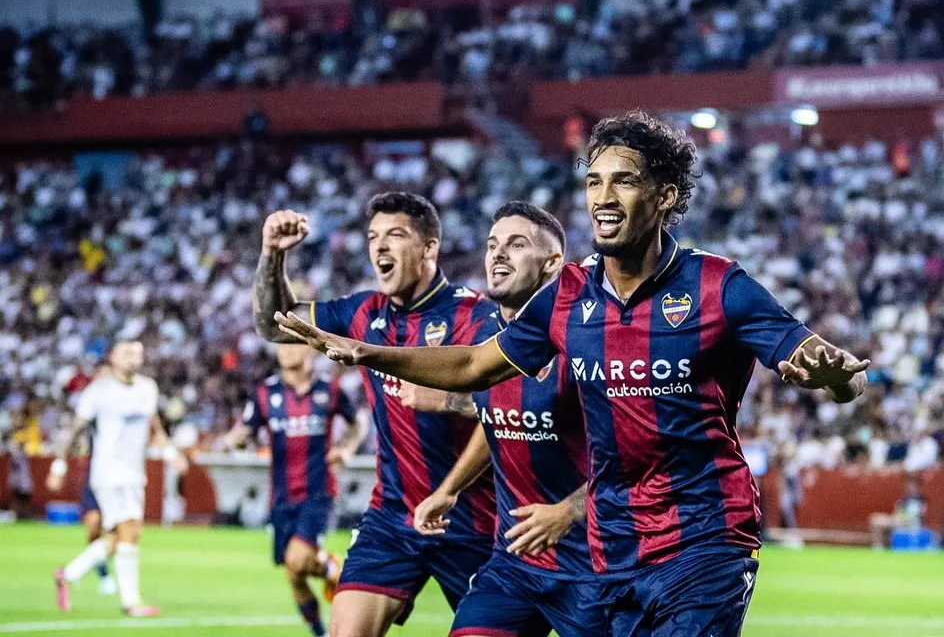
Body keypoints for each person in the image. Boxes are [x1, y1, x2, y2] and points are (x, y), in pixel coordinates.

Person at [275, 111, 869, 637]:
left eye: (624, 180)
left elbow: (837, 372)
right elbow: (473, 364)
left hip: (704, 540)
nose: (603, 197)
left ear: (665, 195)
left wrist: (836, 377)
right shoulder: (566, 296)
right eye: (594, 181)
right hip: (614, 551)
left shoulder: (720, 285)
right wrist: (366, 351)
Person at [252, 193, 496, 637]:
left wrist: (448, 400)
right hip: (392, 516)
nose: (379, 247)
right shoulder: (363, 312)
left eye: (395, 236)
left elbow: (508, 410)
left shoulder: (474, 315)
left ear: (429, 247)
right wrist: (272, 255)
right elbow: (274, 323)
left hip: (470, 518)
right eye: (373, 237)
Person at [408, 201, 605, 637]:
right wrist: (450, 490)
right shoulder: (482, 339)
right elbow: (496, 418)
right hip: (514, 562)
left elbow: (634, 456)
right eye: (493, 244)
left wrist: (567, 512)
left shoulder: (586, 341)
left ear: (553, 263)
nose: (498, 254)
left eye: (516, 245)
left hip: (595, 566)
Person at [226, 343, 363, 636]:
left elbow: (358, 424)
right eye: (282, 346)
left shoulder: (331, 390)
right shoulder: (265, 393)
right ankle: (324, 604)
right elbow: (247, 431)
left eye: (294, 345)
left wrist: (347, 448)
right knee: (293, 573)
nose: (286, 351)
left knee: (296, 560)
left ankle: (329, 568)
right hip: (280, 496)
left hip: (318, 491)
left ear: (310, 350)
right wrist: (238, 438)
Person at [46, 341, 188, 617]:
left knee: (118, 536)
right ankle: (131, 602)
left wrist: (170, 452)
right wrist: (59, 465)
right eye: (127, 353)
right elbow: (77, 429)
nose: (134, 358)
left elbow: (155, 426)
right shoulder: (99, 391)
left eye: (138, 353)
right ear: (112, 357)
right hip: (108, 473)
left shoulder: (147, 388)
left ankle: (67, 574)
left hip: (135, 474)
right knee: (130, 530)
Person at [78, 440, 117, 595]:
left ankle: (68, 573)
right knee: (93, 528)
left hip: (117, 476)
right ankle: (104, 575)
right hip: (95, 474)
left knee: (116, 537)